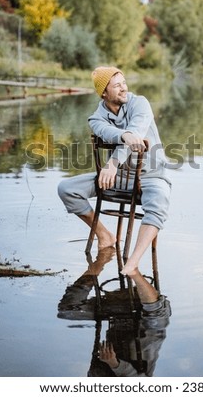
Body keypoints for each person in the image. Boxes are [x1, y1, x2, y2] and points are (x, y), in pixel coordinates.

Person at [58, 66, 171, 276]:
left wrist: (112, 163)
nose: (124, 88)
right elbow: (106, 131)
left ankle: (132, 264)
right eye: (117, 85)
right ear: (104, 93)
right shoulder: (95, 118)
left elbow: (137, 132)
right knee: (66, 188)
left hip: (151, 175)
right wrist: (123, 137)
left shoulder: (140, 103)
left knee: (159, 201)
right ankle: (105, 235)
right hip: (118, 179)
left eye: (124, 83)